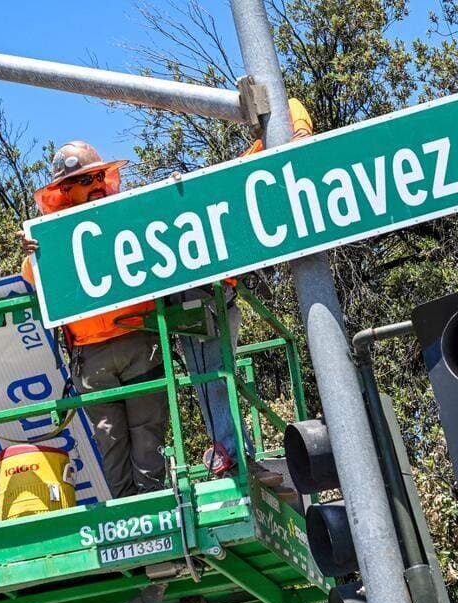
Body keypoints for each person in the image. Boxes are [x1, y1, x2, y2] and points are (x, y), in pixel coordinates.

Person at [19, 141, 168, 499]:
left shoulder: (126, 218)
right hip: (92, 359)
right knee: (111, 446)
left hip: (139, 343)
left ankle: (155, 516)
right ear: (64, 190)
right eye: (87, 180)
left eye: (100, 176)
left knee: (149, 440)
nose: (98, 184)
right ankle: (131, 523)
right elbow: (33, 279)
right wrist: (31, 255)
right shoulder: (49, 237)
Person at [181, 98, 315, 480]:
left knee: (221, 374)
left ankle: (237, 454)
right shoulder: (253, 167)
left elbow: (293, 112)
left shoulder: (272, 165)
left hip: (222, 293)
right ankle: (233, 456)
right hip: (199, 292)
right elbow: (291, 110)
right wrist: (298, 134)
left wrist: (301, 136)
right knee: (214, 376)